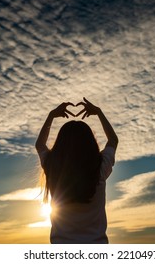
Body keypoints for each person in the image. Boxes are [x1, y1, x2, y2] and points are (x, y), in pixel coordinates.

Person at [35, 97, 118, 244]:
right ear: (90, 142)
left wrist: (51, 115)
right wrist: (98, 112)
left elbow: (40, 144)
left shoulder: (52, 167)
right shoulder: (100, 167)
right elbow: (113, 140)